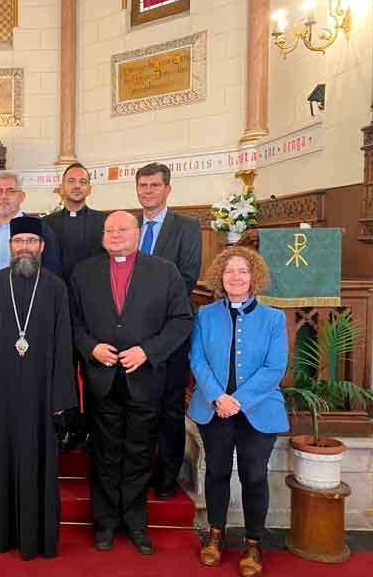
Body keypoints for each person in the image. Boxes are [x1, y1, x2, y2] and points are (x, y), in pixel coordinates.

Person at [69, 211, 192, 555]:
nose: (116, 235)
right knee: (105, 455)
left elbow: (181, 320)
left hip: (145, 378)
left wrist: (148, 351)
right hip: (102, 379)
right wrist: (91, 348)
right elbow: (73, 321)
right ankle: (106, 523)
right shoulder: (84, 272)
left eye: (123, 229)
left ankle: (136, 523)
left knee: (139, 454)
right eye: (110, 230)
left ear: (137, 233)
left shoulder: (164, 271)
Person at [0, 216, 77, 560]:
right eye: (19, 243)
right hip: (3, 389)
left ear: (42, 247)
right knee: (3, 459)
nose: (25, 248)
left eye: (31, 242)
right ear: (10, 247)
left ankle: (40, 537)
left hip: (43, 392)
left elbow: (65, 343)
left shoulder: (55, 287)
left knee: (40, 461)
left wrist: (62, 396)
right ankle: (4, 534)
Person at [188, 247, 288, 577]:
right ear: (220, 276)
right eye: (229, 270)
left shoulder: (274, 318)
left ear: (253, 276)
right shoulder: (206, 315)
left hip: (258, 411)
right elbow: (197, 359)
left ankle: (254, 543)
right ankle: (216, 536)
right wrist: (218, 396)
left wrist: (238, 400)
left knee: (254, 476)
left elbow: (275, 367)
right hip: (213, 408)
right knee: (216, 471)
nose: (235, 276)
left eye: (242, 270)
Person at [134, 162, 202, 498]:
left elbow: (187, 277)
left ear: (167, 189)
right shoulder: (129, 226)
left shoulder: (187, 227)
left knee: (170, 406)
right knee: (140, 405)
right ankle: (142, 468)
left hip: (171, 332)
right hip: (132, 336)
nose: (147, 191)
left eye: (154, 185)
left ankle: (167, 475)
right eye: (142, 186)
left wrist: (146, 312)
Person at [43, 162, 106, 450]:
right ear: (62, 186)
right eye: (72, 181)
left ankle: (93, 428)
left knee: (94, 371)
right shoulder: (49, 224)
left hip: (94, 311)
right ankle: (63, 427)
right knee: (62, 371)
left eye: (82, 181)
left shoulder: (103, 223)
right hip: (57, 310)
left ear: (90, 188)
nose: (77, 185)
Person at [0, 171, 61, 297]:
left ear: (22, 196)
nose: (3, 196)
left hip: (26, 304)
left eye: (11, 191)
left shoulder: (40, 231)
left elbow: (52, 274)